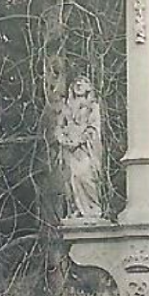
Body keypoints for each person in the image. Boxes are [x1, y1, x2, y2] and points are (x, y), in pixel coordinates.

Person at [54, 75, 104, 219]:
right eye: (76, 83)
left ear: (88, 87)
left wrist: (79, 140)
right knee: (71, 179)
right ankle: (76, 208)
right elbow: (59, 127)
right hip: (70, 150)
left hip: (85, 149)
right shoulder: (67, 107)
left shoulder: (92, 106)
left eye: (83, 82)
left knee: (85, 176)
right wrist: (64, 139)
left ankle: (92, 208)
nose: (79, 85)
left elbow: (94, 128)